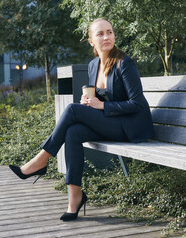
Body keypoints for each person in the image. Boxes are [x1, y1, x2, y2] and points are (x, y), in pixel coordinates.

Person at [9, 18, 155, 221]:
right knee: (73, 132)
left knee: (72, 110)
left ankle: (41, 160)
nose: (106, 37)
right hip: (113, 122)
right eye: (100, 34)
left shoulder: (125, 63)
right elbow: (105, 97)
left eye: (109, 32)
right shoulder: (94, 65)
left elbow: (137, 104)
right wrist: (90, 102)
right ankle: (74, 197)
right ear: (91, 41)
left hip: (132, 127)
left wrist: (101, 105)